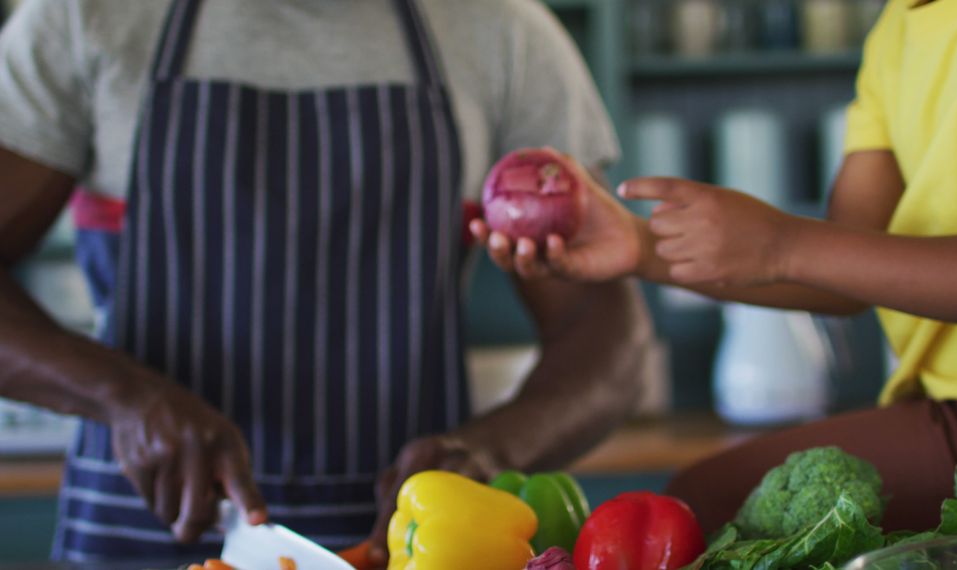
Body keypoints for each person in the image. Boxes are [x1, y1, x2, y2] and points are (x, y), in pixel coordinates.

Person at [0, 0, 652, 563]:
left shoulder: (502, 33)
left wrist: (491, 451)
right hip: (139, 533)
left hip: (412, 547)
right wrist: (124, 397)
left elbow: (607, 335)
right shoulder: (85, 18)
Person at [472, 0, 957, 535]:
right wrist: (639, 245)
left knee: (704, 503)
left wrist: (782, 241)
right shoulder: (898, 29)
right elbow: (843, 275)